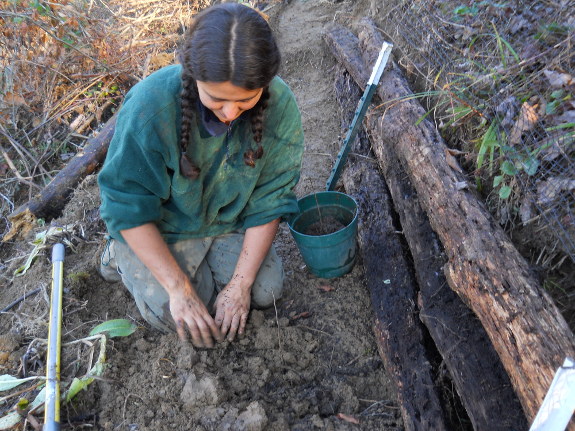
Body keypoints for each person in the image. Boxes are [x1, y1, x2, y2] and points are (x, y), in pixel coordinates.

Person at [97, 2, 304, 349]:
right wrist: (180, 291)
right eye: (217, 99)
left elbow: (272, 198)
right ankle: (119, 253)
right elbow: (126, 204)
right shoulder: (150, 107)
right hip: (163, 226)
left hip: (225, 222)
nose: (229, 113)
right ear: (192, 76)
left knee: (265, 290)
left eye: (245, 101)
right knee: (178, 316)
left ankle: (207, 273)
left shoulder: (280, 104)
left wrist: (239, 285)